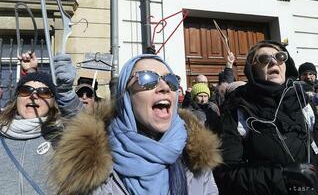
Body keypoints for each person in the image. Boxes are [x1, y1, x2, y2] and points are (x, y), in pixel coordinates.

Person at [50, 54, 222, 195]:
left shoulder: (196, 157)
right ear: (126, 96)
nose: (164, 87)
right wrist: (66, 94)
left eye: (170, 80)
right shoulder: (93, 162)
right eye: (147, 78)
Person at [214, 40, 318, 195]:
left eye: (280, 56)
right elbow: (226, 174)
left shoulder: (303, 101)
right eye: (264, 59)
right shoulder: (238, 108)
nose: (274, 61)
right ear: (253, 69)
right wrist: (284, 176)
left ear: (285, 64)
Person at [0, 52, 79, 195]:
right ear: (16, 98)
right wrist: (30, 72)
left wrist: (66, 93)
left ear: (53, 101)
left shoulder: (63, 136)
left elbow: (88, 131)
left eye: (43, 92)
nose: (33, 95)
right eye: (26, 90)